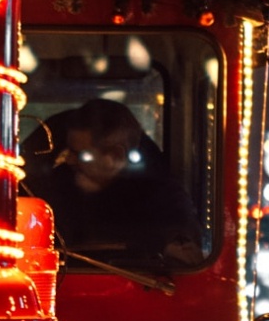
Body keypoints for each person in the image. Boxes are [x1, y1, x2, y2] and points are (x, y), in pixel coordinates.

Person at [32, 100, 203, 268]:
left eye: (81, 155)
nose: (69, 160)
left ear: (116, 156)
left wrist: (159, 245)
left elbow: (184, 249)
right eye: (68, 151)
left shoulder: (164, 197)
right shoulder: (54, 186)